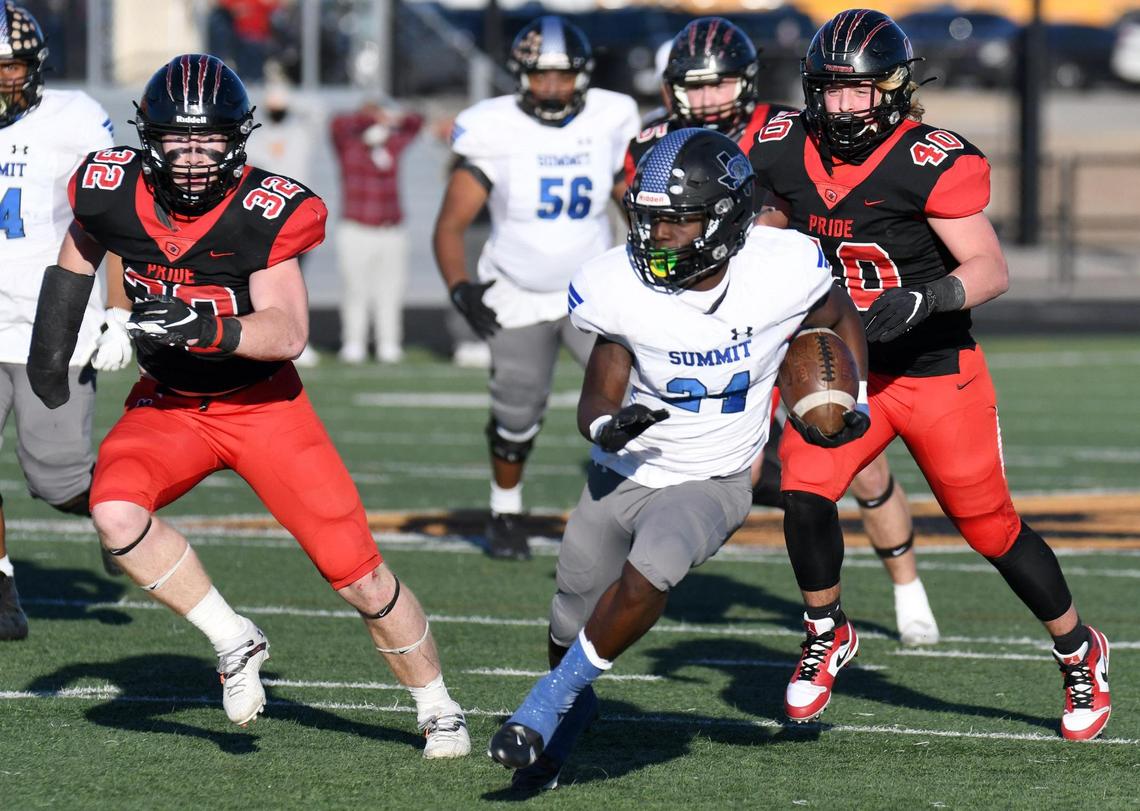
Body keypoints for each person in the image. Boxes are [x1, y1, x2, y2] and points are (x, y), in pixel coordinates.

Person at [26, 54, 470, 758]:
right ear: (150, 138)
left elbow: (287, 331)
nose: (193, 157)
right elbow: (84, 242)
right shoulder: (112, 187)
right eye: (178, 140)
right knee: (114, 512)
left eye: (208, 140)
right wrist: (56, 344)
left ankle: (437, 704)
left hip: (263, 407)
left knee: (359, 575)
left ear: (235, 140)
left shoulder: (263, 210)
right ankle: (233, 638)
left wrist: (205, 327)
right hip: (169, 405)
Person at [749, 10, 1110, 740]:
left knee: (991, 529)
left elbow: (991, 268)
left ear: (893, 88)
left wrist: (928, 296)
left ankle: (1078, 649)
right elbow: (771, 229)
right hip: (849, 367)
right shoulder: (784, 145)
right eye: (830, 89)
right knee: (803, 489)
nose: (842, 106)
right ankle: (826, 629)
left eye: (858, 90)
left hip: (935, 370)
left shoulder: (929, 159)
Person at [488, 128, 871, 790]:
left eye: (677, 220)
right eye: (650, 219)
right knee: (570, 612)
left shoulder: (781, 268)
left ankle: (544, 709)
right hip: (625, 472)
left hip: (714, 476)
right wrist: (608, 426)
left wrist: (848, 397)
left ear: (725, 218)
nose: (658, 235)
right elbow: (598, 393)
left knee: (651, 571)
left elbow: (839, 317)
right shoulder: (618, 284)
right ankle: (573, 704)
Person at [625, 16, 938, 648]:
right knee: (707, 461)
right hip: (704, 323)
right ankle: (644, 569)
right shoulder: (652, 143)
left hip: (788, 310)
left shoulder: (785, 128)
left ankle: (909, 592)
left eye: (719, 83)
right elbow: (640, 228)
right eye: (695, 85)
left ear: (746, 82)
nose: (709, 98)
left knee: (857, 454)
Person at [433, 16, 640, 560]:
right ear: (520, 75)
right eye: (540, 75)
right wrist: (460, 287)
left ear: (583, 75)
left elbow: (632, 199)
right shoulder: (493, 128)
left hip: (592, 293)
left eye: (563, 75)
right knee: (517, 413)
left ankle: (635, 507)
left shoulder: (610, 117)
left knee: (634, 397)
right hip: (517, 291)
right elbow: (450, 224)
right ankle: (505, 512)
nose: (552, 87)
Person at [0, 2, 134, 642]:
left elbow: (115, 215)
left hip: (51, 321)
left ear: (35, 66)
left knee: (56, 480)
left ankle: (121, 511)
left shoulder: (73, 117)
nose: (2, 78)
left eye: (10, 65)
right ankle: (1, 583)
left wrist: (119, 310)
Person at [330, 99, 422, 364]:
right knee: (355, 289)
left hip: (390, 229)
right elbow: (336, 124)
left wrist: (394, 119)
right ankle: (353, 342)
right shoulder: (349, 145)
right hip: (356, 228)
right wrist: (371, 119)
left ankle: (388, 343)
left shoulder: (391, 145)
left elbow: (416, 122)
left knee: (391, 290)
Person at [243, 82, 320, 367]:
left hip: (297, 218)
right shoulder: (257, 136)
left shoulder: (299, 133)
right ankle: (261, 337)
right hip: (264, 221)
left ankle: (299, 337)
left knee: (296, 283)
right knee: (261, 283)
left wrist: (288, 99)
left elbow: (318, 111)